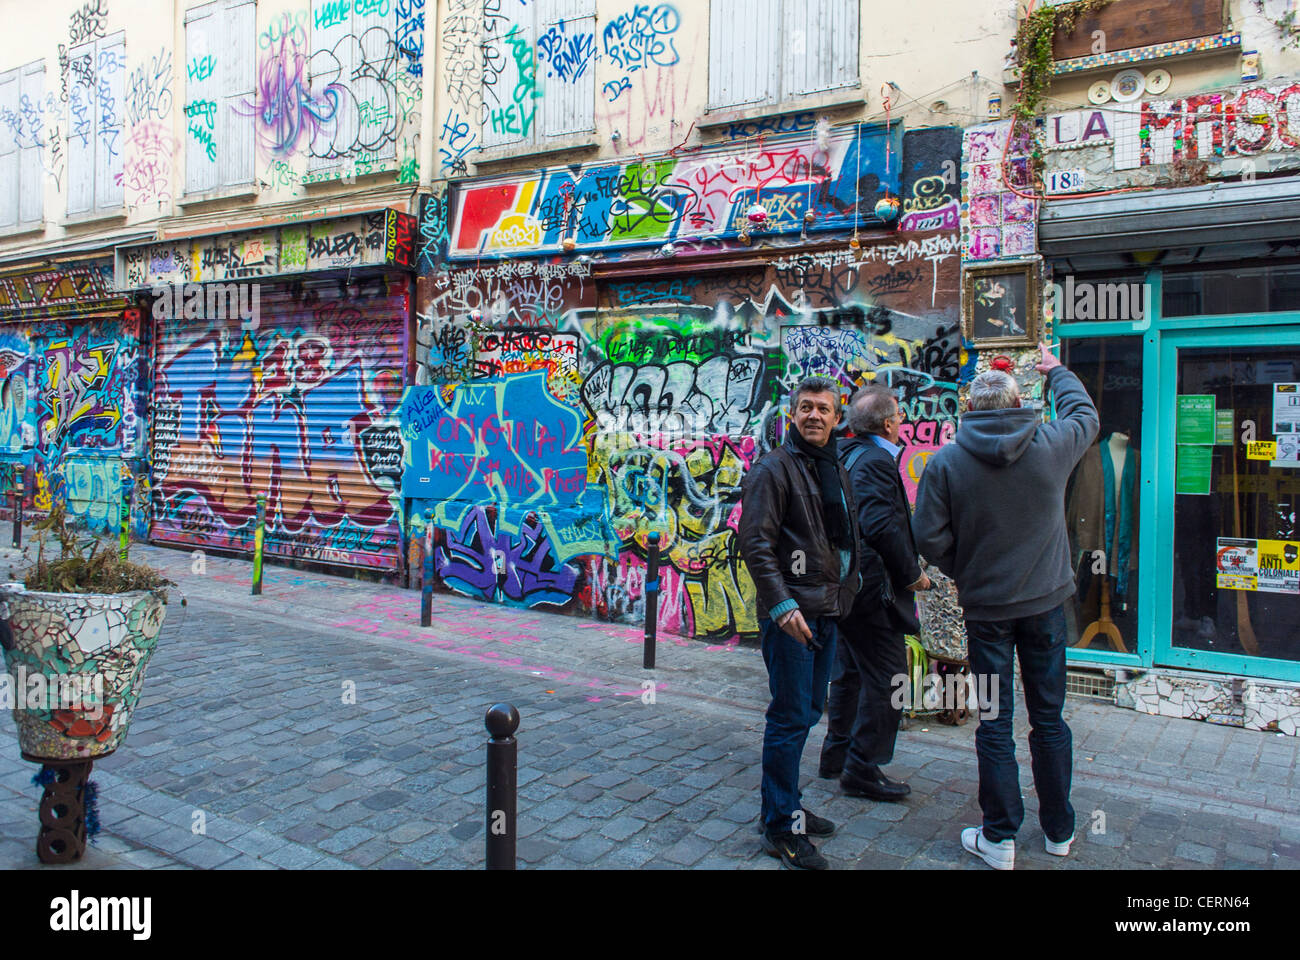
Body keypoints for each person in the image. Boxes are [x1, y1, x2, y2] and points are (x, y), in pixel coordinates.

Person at [912, 345, 1099, 870]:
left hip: (988, 613)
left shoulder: (947, 461)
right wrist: (1056, 370)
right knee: (1050, 719)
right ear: (1021, 403)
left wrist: (967, 568)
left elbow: (928, 537)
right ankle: (1059, 829)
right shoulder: (1052, 442)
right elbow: (1085, 415)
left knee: (995, 722)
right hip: (1046, 609)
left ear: (968, 410)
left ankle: (1000, 837)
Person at [738, 375, 862, 870]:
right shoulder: (775, 468)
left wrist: (850, 591)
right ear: (792, 415)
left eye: (824, 409)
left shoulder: (835, 466)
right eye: (806, 407)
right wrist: (781, 606)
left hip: (827, 609)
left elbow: (846, 536)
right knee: (790, 716)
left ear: (838, 417)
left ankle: (785, 803)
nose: (815, 415)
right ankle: (778, 826)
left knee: (809, 711)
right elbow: (755, 543)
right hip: (792, 616)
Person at [819, 384, 931, 802]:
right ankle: (863, 768)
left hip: (848, 589)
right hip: (870, 594)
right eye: (899, 417)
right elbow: (879, 524)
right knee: (891, 678)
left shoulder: (846, 453)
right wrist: (911, 575)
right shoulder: (875, 461)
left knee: (849, 672)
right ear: (887, 424)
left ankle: (836, 757)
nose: (902, 423)